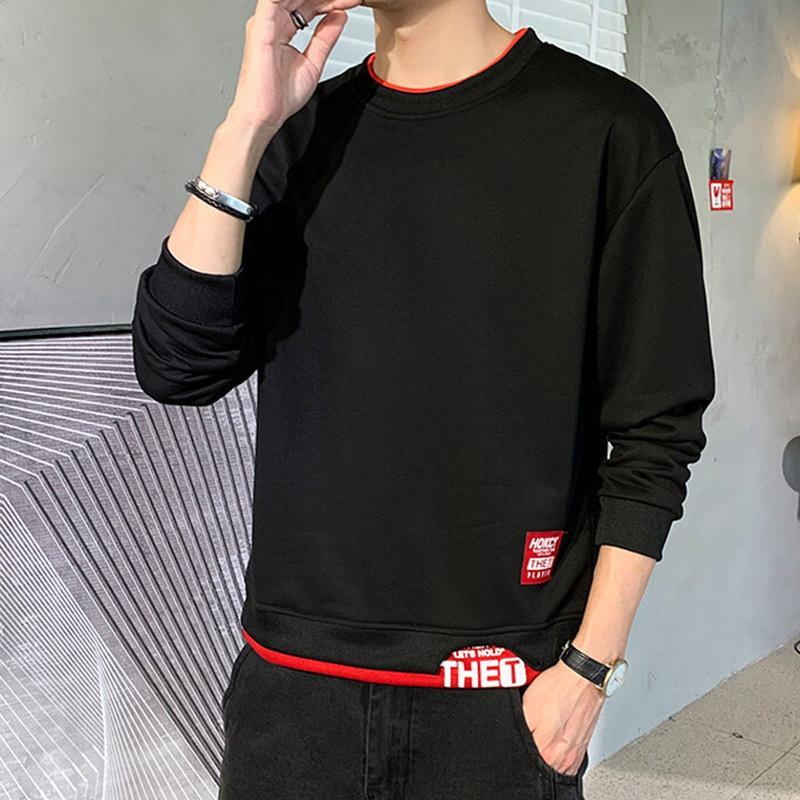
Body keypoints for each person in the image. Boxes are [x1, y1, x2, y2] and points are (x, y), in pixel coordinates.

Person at [130, 0, 716, 797]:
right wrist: (244, 128)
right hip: (294, 696)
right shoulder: (298, 135)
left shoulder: (606, 129)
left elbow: (657, 430)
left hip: (500, 695)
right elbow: (176, 365)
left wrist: (589, 668)